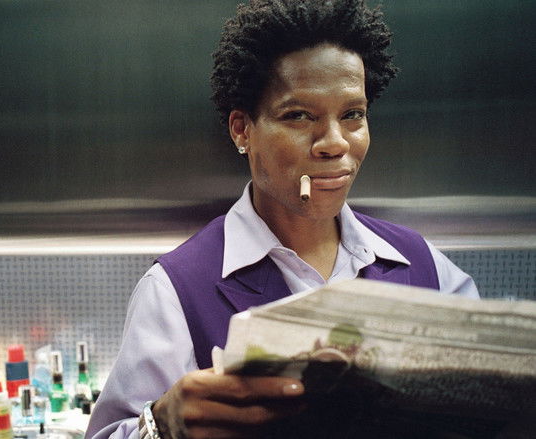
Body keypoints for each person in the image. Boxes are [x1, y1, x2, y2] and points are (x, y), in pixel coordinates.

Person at [86, 0, 479, 438]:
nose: (334, 144)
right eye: (299, 116)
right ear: (242, 129)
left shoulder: (428, 269)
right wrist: (160, 424)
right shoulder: (175, 291)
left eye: (352, 115)